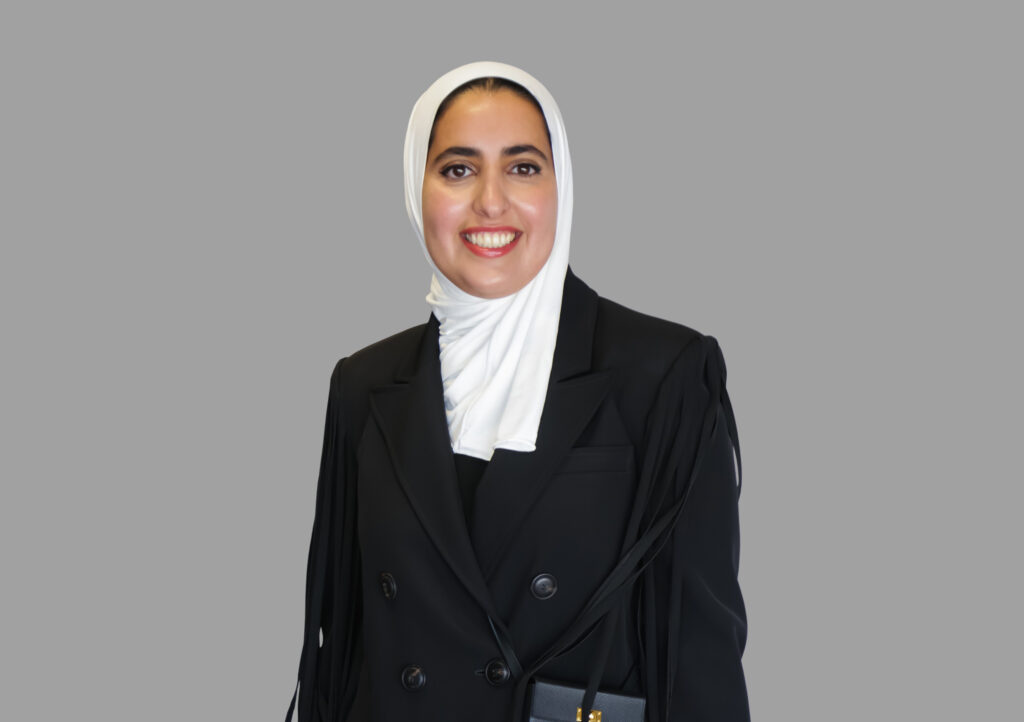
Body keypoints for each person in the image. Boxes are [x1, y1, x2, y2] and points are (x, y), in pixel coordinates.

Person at [285, 61, 749, 722]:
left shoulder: (664, 374)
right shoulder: (363, 383)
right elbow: (340, 656)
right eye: (458, 169)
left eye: (523, 167)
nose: (490, 202)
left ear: (562, 186)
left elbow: (701, 662)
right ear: (416, 189)